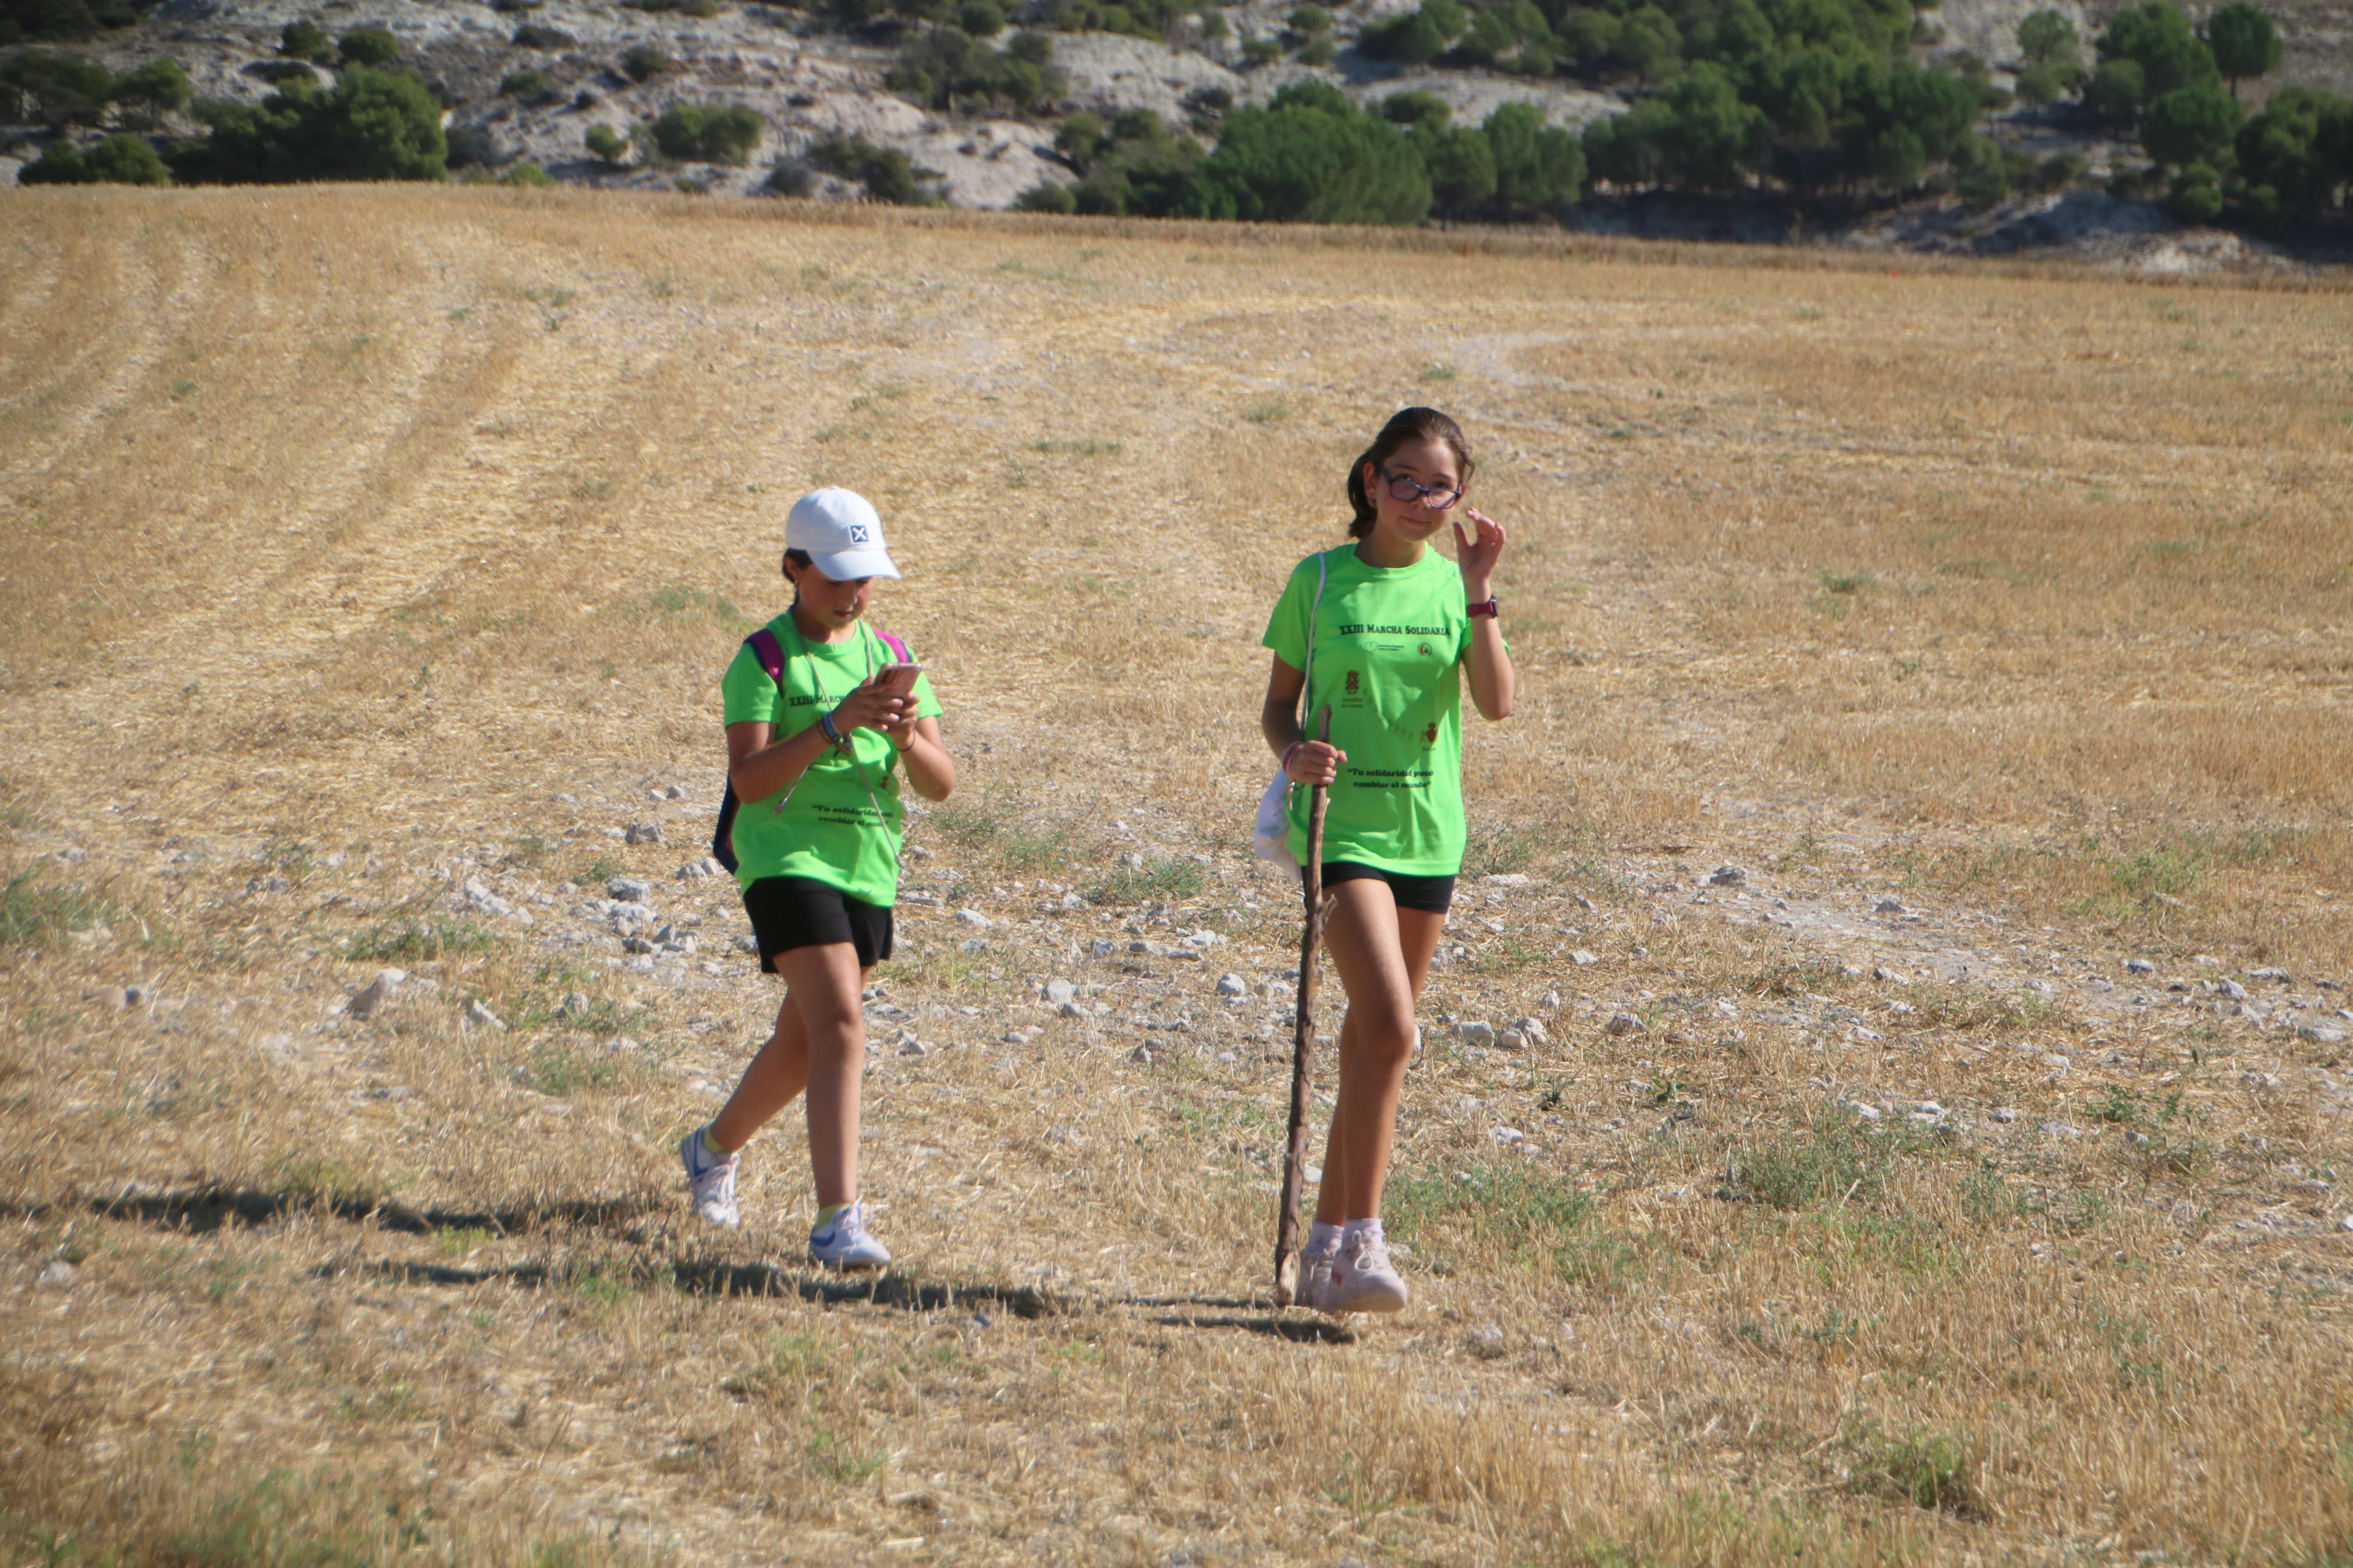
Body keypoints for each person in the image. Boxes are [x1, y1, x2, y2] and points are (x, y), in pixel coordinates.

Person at [1259, 407, 1516, 1314]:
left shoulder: (1456, 588)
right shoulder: (1320, 581)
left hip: (1429, 834)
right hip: (1340, 833)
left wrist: (1481, 592)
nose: (1416, 498)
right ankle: (1359, 1242)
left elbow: (1495, 703)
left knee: (1375, 1041)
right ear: (1371, 480)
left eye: (1437, 486)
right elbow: (1279, 706)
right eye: (1401, 478)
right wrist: (1293, 754)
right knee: (1395, 1028)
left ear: (1458, 500)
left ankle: (1324, 1259)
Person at [680, 488, 954, 1270]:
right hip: (784, 857)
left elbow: (942, 784)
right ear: (794, 567)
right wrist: (831, 726)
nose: (853, 594)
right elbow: (751, 779)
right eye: (836, 577)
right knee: (841, 1023)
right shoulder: (762, 658)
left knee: (806, 1042)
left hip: (867, 863)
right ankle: (838, 1219)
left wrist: (905, 738)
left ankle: (711, 1149)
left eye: (865, 578)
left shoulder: (891, 658)